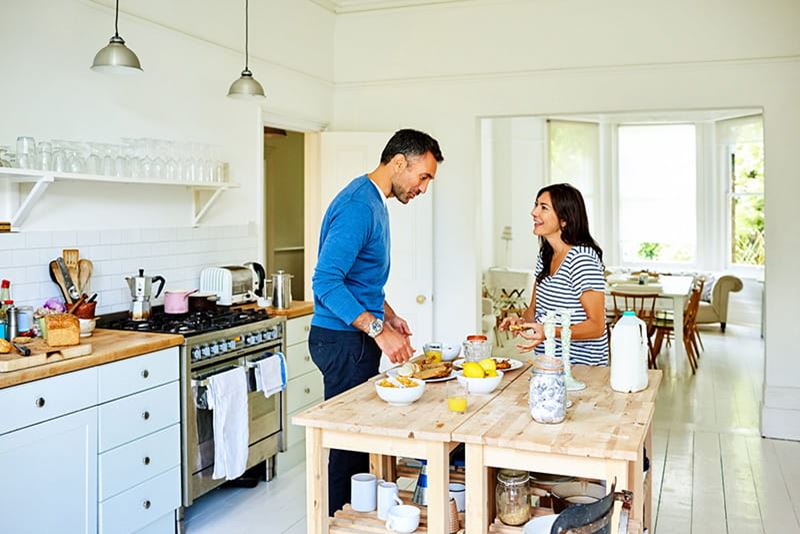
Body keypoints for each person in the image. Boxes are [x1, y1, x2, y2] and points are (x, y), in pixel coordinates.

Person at [309, 128, 443, 515]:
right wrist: (378, 330)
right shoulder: (358, 205)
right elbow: (326, 281)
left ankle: (358, 517)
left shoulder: (373, 201)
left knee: (359, 440)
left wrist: (389, 313)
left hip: (351, 338)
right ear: (399, 162)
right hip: (340, 341)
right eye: (423, 177)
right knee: (349, 445)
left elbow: (359, 281)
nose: (423, 189)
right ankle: (337, 521)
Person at [500, 183, 608, 365]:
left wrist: (549, 331)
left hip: (583, 370)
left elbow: (596, 326)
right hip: (548, 367)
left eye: (544, 208)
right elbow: (535, 311)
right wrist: (519, 321)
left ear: (564, 219)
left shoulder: (582, 259)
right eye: (536, 205)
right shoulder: (545, 256)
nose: (534, 212)